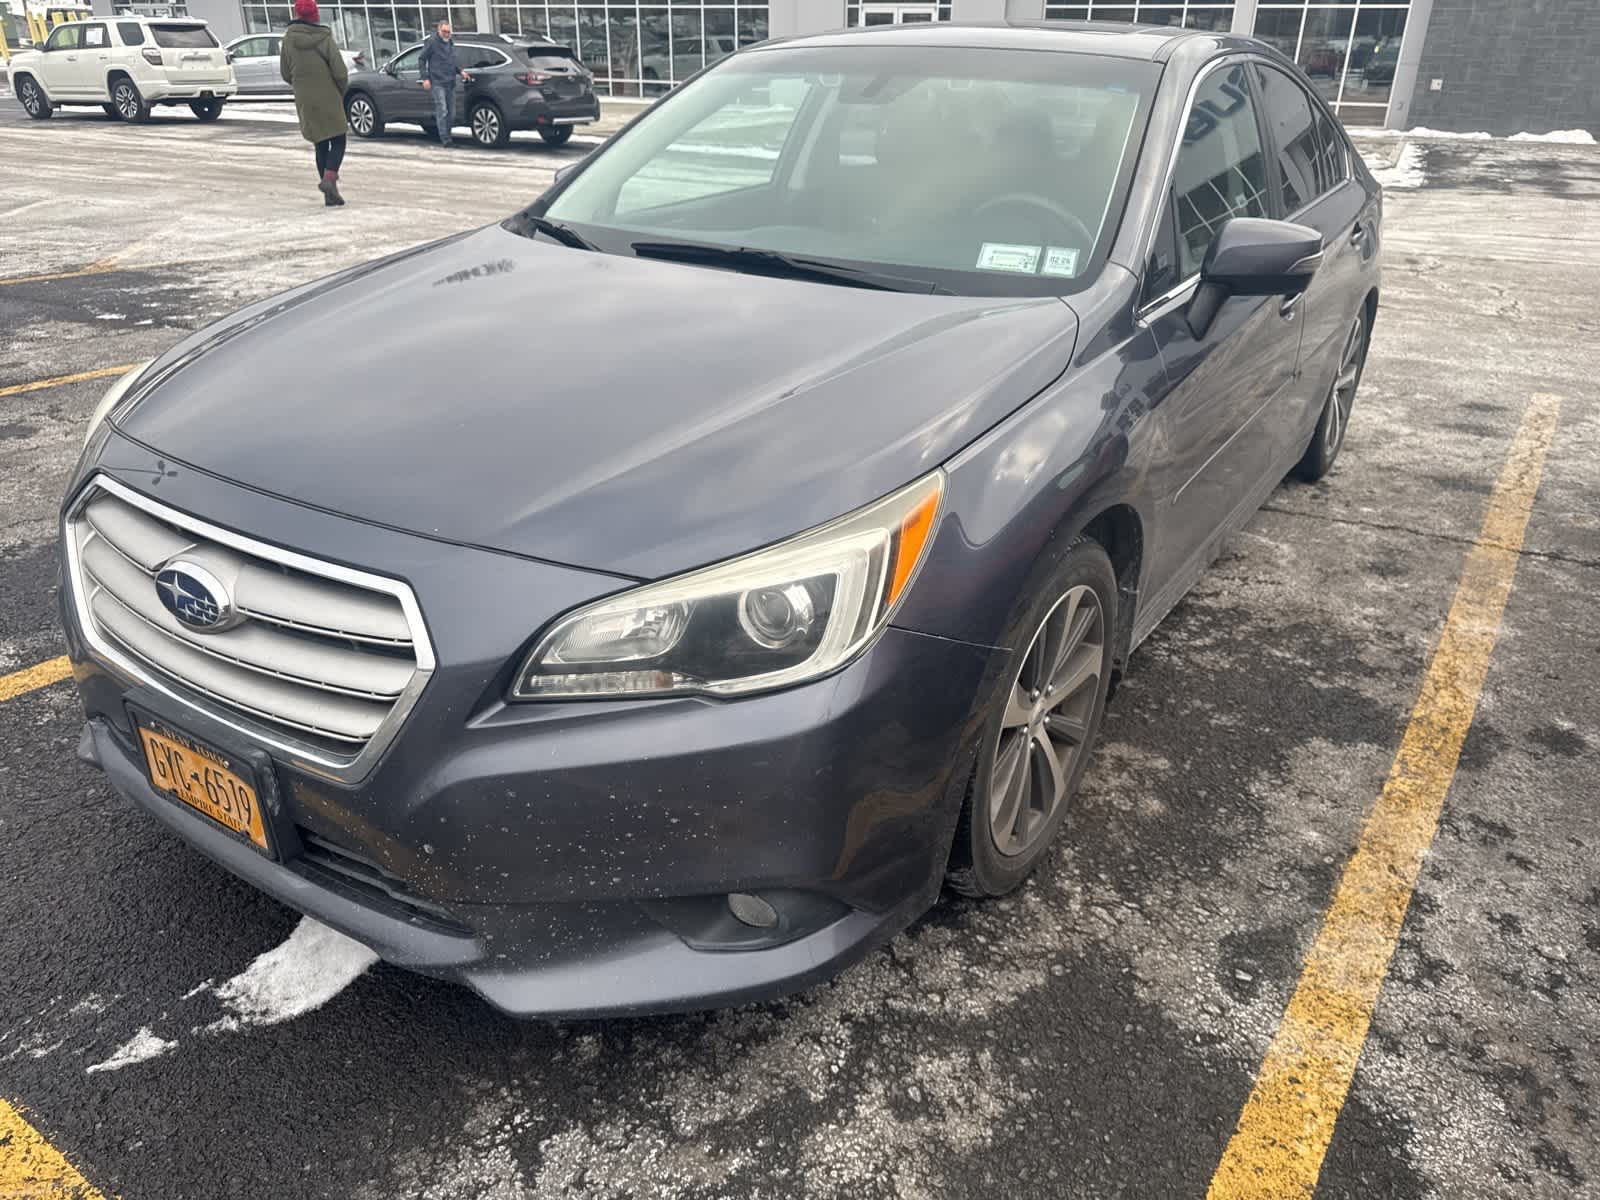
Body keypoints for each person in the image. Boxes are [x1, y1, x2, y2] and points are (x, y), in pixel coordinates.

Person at [279, 0, 350, 206]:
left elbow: (285, 72)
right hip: (329, 94)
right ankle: (329, 180)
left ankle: (329, 195)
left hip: (305, 98)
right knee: (338, 138)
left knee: (320, 143)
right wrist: (341, 89)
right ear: (315, 14)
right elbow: (339, 70)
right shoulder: (324, 36)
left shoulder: (288, 39)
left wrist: (302, 84)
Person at [417, 20, 471, 147]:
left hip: (450, 82)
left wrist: (461, 71)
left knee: (451, 113)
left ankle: (448, 134)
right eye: (444, 32)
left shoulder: (450, 43)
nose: (447, 34)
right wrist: (425, 78)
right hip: (437, 82)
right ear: (439, 30)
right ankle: (445, 139)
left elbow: (452, 61)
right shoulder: (432, 42)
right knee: (442, 110)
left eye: (449, 32)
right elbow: (421, 59)